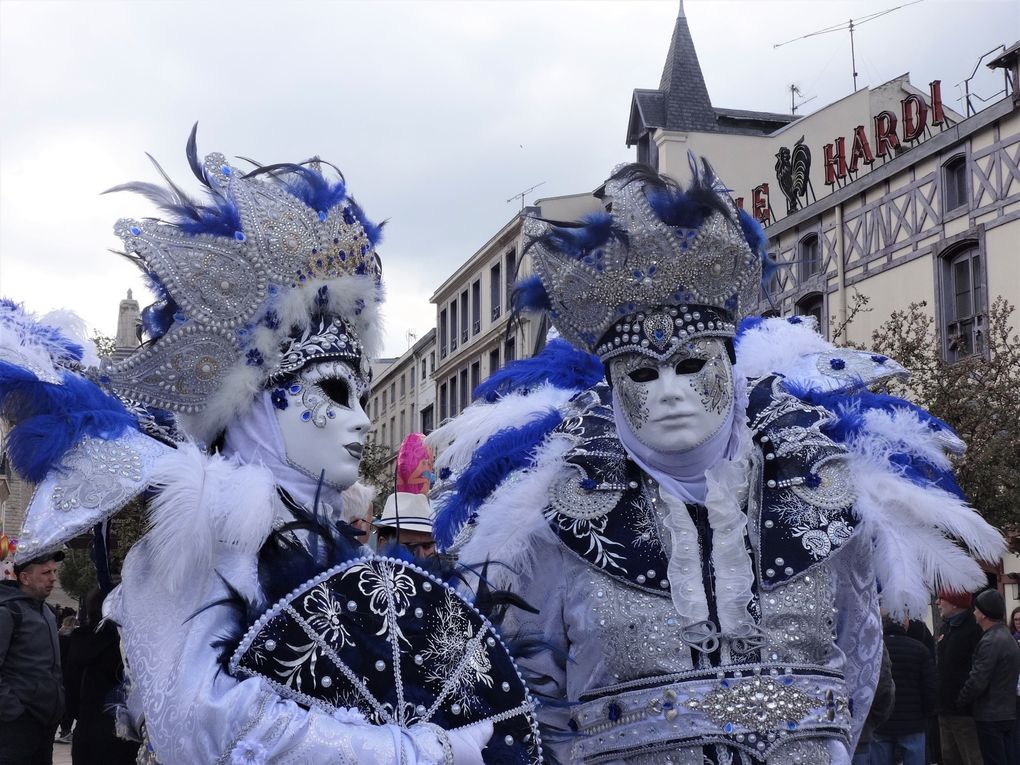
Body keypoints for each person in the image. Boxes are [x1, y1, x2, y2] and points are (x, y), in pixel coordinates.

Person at [427, 162, 1005, 763]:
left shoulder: (826, 501)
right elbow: (534, 699)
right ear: (614, 383)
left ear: (728, 368)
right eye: (643, 374)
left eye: (691, 365)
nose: (669, 392)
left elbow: (856, 671)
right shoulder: (555, 525)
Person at [0, 133, 541, 764]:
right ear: (253, 401)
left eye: (364, 396)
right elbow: (195, 722)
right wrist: (411, 752)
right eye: (334, 392)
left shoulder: (322, 537)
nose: (363, 422)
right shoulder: (198, 535)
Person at [0, 551, 66, 765]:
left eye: (54, 571)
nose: (53, 578)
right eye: (45, 572)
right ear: (25, 578)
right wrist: (14, 711)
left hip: (46, 724)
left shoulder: (47, 612)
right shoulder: (8, 612)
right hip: (16, 728)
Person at [63, 588, 139, 765]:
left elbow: (71, 689)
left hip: (89, 731)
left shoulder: (80, 642)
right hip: (128, 735)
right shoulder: (134, 644)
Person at [958, 589, 1020, 765]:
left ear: (984, 614)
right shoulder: (1008, 637)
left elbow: (978, 680)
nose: (974, 613)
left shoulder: (990, 641)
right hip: (1008, 711)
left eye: (976, 609)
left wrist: (961, 699)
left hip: (991, 714)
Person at [871, 613, 936, 765]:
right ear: (904, 625)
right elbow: (930, 688)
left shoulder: (875, 650)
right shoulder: (920, 650)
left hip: (882, 723)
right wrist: (926, 714)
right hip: (913, 722)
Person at [937, 589, 985, 765]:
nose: (937, 602)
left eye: (941, 598)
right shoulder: (946, 627)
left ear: (955, 603)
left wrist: (963, 699)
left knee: (971, 759)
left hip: (965, 714)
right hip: (945, 710)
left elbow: (978, 671)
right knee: (949, 759)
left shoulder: (973, 629)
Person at [56, 613, 77, 744]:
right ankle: (66, 730)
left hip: (58, 672)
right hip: (70, 674)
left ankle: (61, 730)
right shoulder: (74, 638)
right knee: (69, 703)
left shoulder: (57, 635)